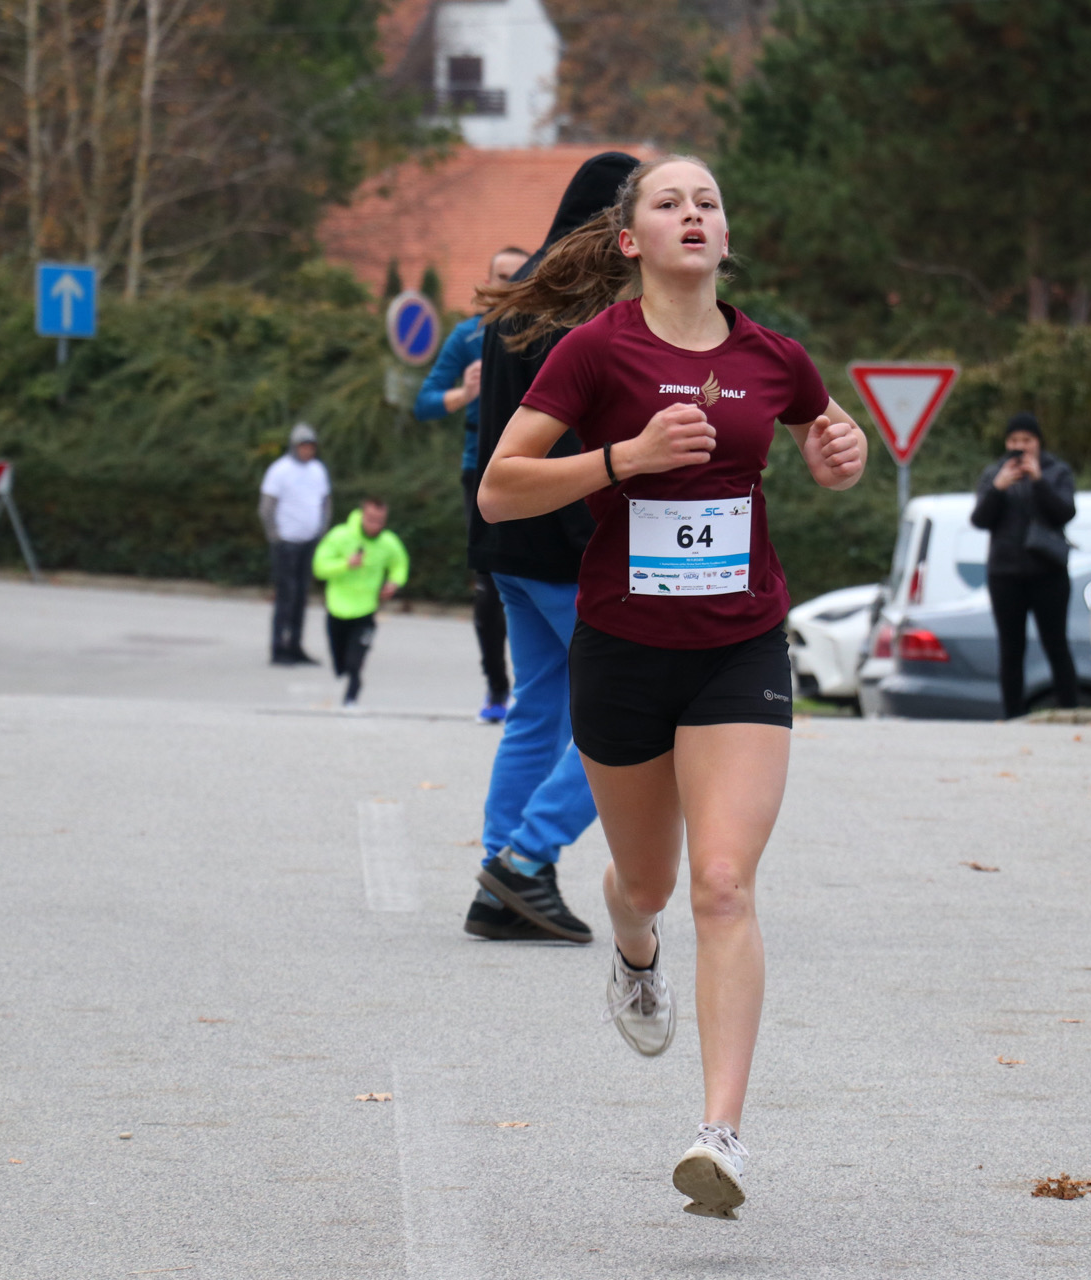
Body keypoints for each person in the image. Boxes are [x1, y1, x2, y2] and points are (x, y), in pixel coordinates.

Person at [476, 155, 867, 1219]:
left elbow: (828, 447)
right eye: (669, 202)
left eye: (708, 202)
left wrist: (844, 453)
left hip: (740, 642)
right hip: (623, 647)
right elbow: (501, 487)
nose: (693, 214)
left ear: (724, 235)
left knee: (726, 881)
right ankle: (634, 945)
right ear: (631, 241)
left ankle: (720, 1134)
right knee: (646, 884)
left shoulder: (771, 357)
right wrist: (626, 458)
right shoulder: (593, 352)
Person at [459, 153, 640, 945]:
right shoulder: (584, 308)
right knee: (633, 711)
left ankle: (501, 885)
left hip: (508, 544)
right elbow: (564, 434)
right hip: (569, 545)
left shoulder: (522, 294)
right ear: (616, 221)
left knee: (538, 710)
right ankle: (525, 862)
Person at [415, 246, 530, 724]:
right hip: (478, 468)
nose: (505, 285)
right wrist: (464, 393)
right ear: (486, 282)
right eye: (498, 276)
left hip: (535, 466)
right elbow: (423, 404)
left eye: (515, 277)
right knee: (488, 584)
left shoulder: (545, 332)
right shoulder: (466, 338)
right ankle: (496, 688)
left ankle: (538, 686)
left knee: (537, 577)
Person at [970, 411, 1079, 718]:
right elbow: (979, 520)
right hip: (1005, 573)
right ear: (1007, 442)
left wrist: (1039, 480)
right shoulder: (995, 473)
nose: (1020, 446)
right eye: (1014, 440)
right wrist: (998, 488)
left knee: (1056, 643)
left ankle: (1069, 713)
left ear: (1038, 442)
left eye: (1027, 440)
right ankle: (1013, 716)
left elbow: (1065, 513)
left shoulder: (1057, 472)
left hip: (1048, 571)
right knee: (1011, 648)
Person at [312, 497, 408, 707]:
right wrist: (345, 564)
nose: (375, 526)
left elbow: (400, 564)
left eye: (380, 521)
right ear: (362, 515)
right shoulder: (340, 536)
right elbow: (319, 567)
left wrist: (393, 583)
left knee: (355, 661)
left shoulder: (388, 542)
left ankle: (352, 697)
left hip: (366, 610)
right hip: (337, 608)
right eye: (371, 519)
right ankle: (345, 677)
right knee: (340, 663)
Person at [259, 423, 331, 665]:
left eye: (311, 447)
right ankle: (279, 646)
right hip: (286, 543)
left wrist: (321, 531)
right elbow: (267, 507)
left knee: (301, 596)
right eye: (303, 446)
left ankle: (296, 645)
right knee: (285, 596)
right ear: (294, 447)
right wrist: (275, 536)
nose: (307, 451)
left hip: (308, 542)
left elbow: (324, 502)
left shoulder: (318, 470)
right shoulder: (280, 470)